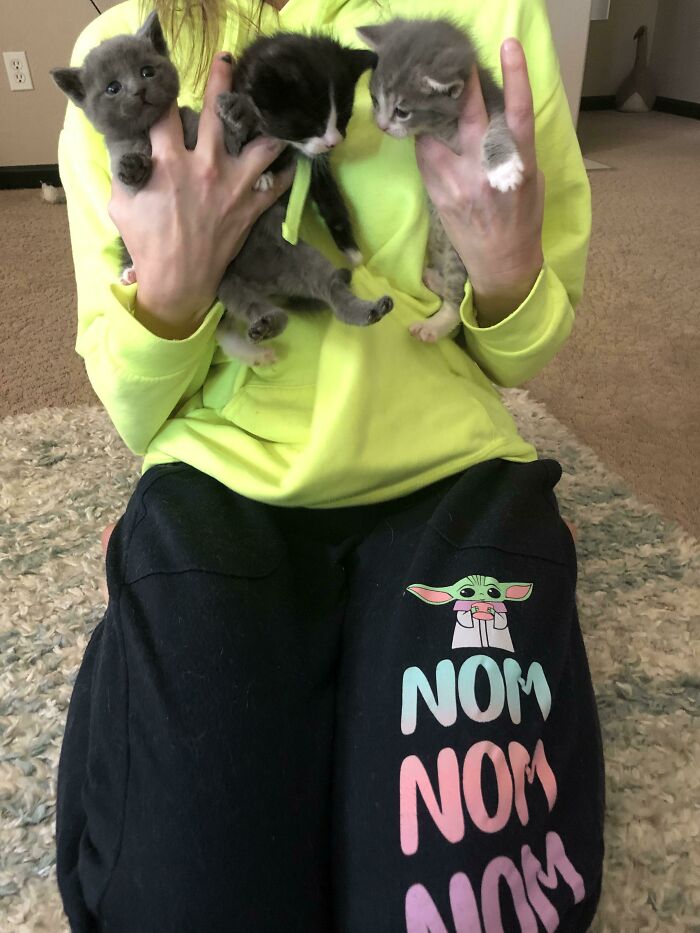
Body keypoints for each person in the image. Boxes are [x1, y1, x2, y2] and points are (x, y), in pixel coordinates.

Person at [55, 0, 604, 930]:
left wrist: (503, 262)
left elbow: (521, 352)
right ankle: (153, 577)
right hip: (224, 482)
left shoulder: (487, 15)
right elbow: (134, 405)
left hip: (452, 477)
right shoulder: (127, 50)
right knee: (188, 905)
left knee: (467, 910)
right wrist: (178, 281)